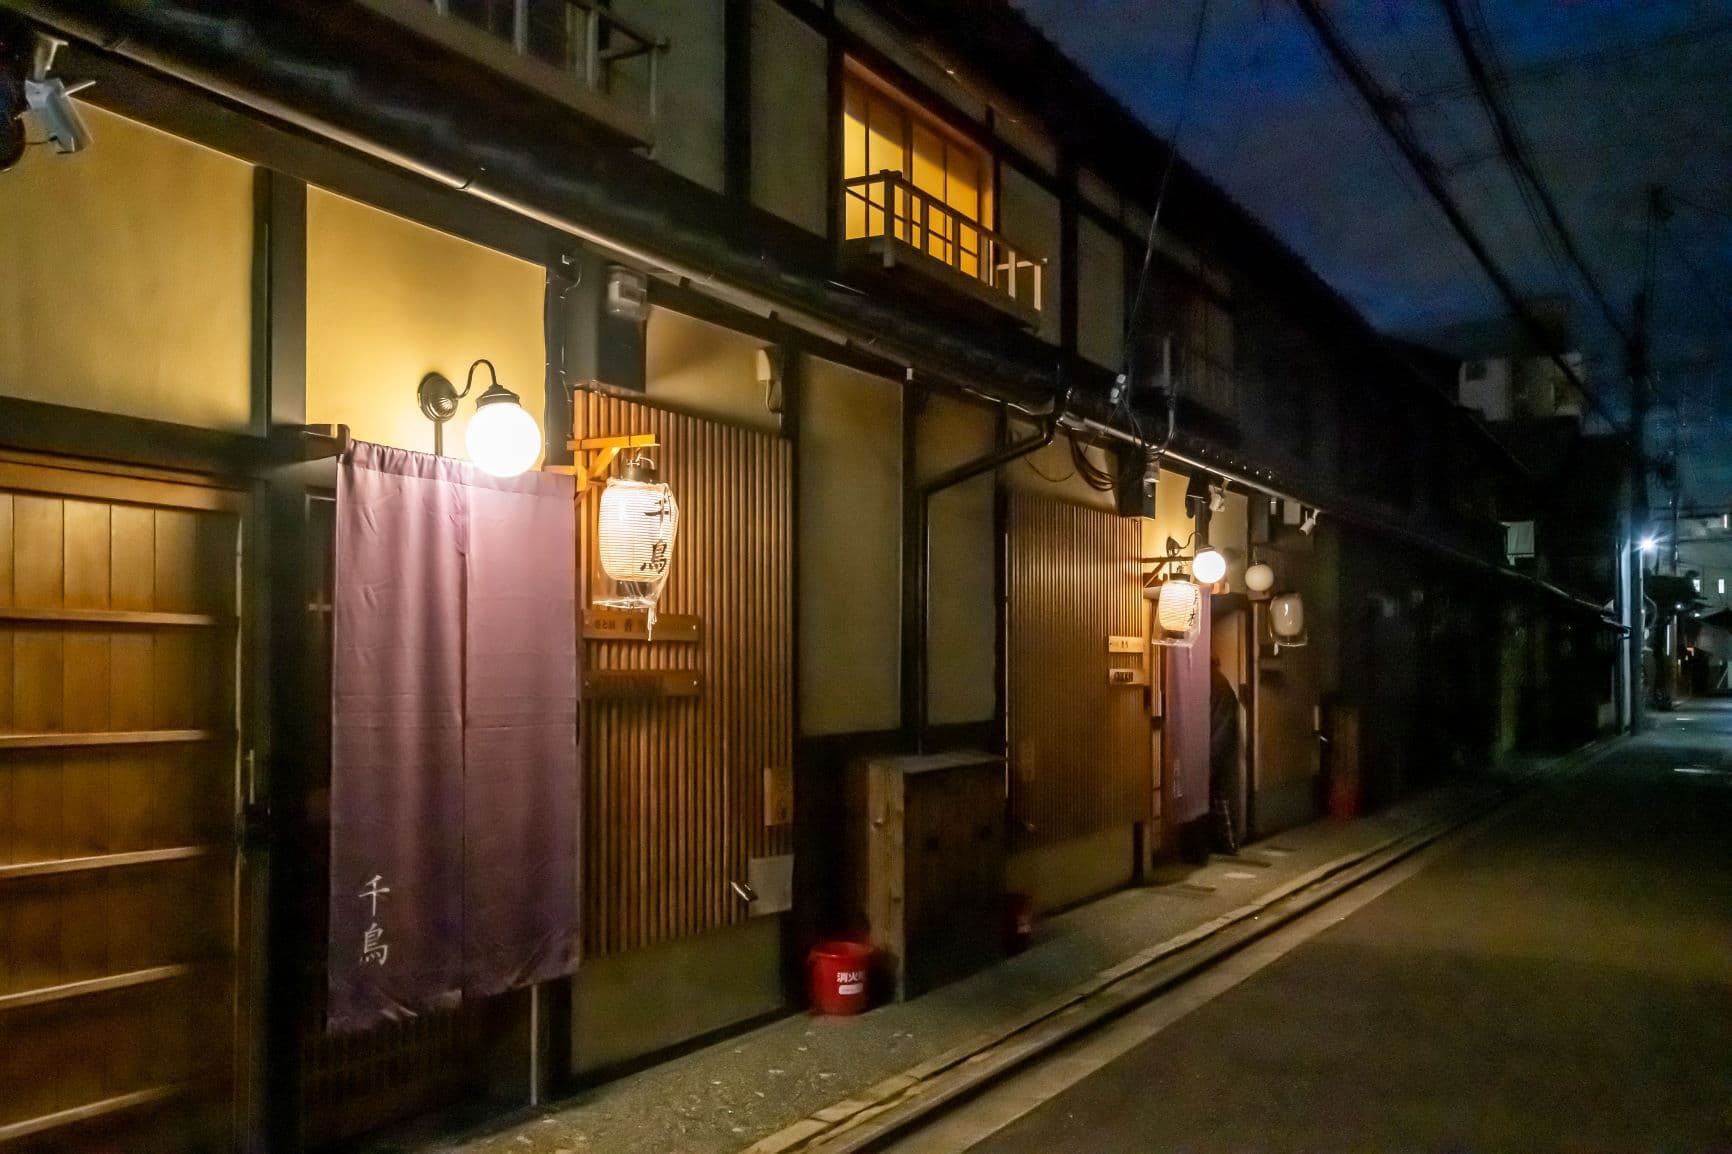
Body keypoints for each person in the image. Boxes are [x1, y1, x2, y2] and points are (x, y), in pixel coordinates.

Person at [1208, 655, 1241, 855]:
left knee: (1218, 797)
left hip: (1216, 749)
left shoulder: (1213, 684)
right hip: (1221, 749)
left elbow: (1220, 725)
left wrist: (1210, 756)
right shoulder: (1222, 684)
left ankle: (1227, 842)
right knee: (1220, 796)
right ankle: (1226, 841)